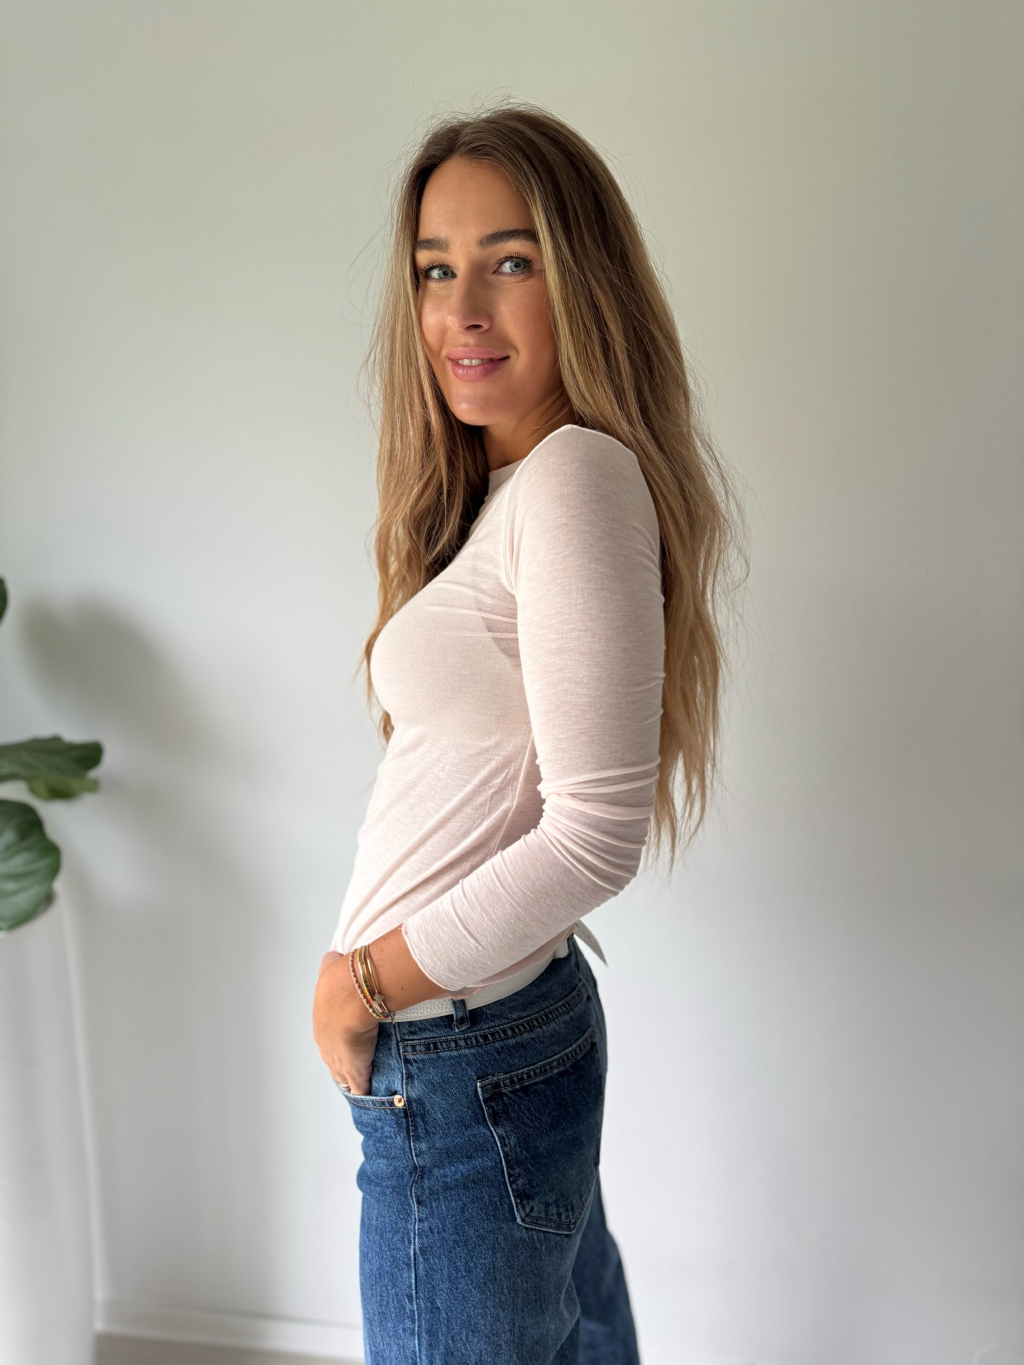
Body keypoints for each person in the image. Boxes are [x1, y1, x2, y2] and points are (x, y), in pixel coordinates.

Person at [312, 104, 736, 1365]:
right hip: (481, 1047)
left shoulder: (573, 479)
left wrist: (365, 981)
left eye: (509, 260)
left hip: (459, 1061)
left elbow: (595, 834)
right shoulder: (511, 488)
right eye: (434, 269)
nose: (462, 309)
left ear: (580, 279)